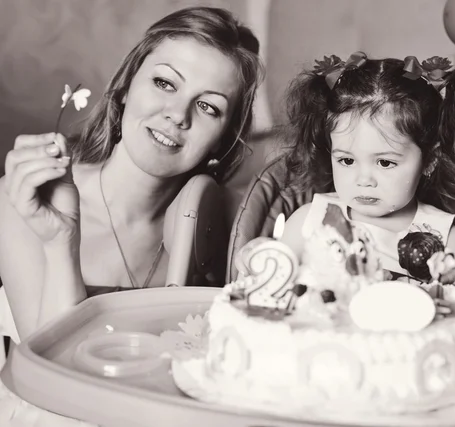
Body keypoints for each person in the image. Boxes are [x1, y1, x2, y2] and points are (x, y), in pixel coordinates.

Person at [0, 6, 262, 344]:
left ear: (224, 138)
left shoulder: (228, 233)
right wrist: (60, 242)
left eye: (207, 106)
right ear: (125, 88)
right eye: (165, 83)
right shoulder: (26, 199)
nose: (177, 115)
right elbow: (51, 368)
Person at [279, 51, 455, 317]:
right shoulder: (307, 224)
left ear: (429, 161)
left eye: (384, 163)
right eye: (347, 160)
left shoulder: (448, 242)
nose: (364, 180)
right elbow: (270, 288)